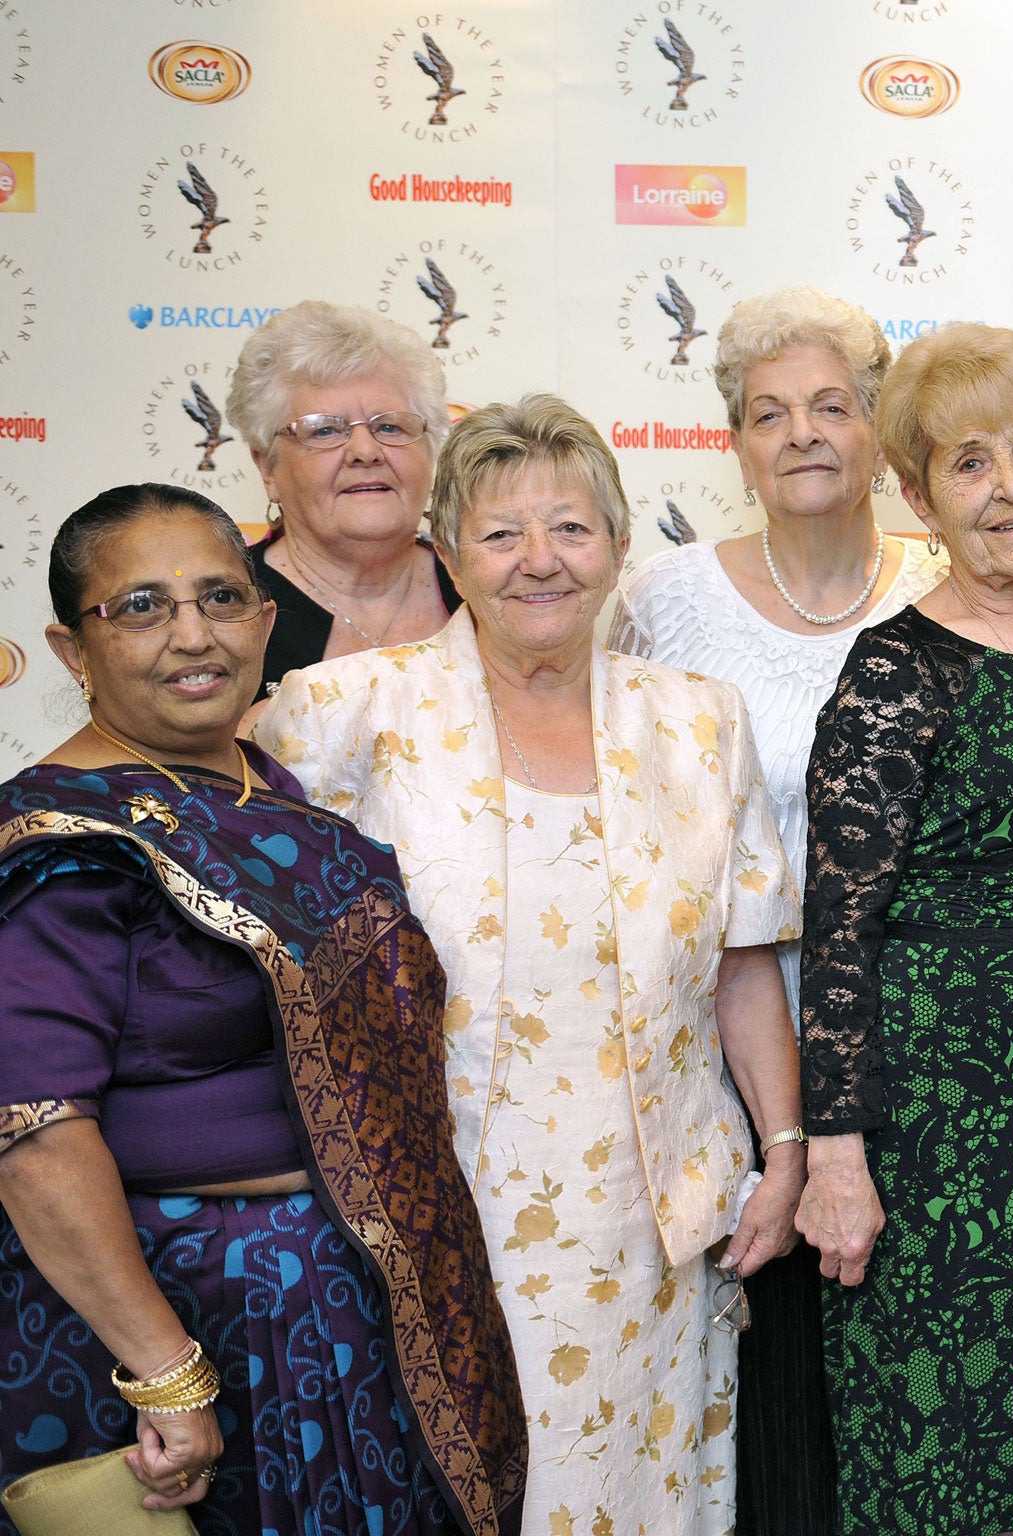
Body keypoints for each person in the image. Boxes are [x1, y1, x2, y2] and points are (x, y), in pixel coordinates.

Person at [254, 396, 804, 1536]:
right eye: (501, 536)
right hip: (427, 1220)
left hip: (650, 1228)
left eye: (571, 530)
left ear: (614, 548)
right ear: (446, 551)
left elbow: (742, 964)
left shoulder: (699, 721)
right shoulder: (337, 715)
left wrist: (786, 1151)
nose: (539, 563)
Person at [0, 484, 525, 1536]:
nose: (192, 636)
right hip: (192, 1320)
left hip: (353, 1309)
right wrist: (165, 1373)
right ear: (72, 650)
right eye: (141, 607)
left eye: (221, 598)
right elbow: (34, 1139)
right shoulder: (65, 843)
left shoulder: (273, 794)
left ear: (265, 619)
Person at [796, 324, 1013, 1535]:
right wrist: (835, 1155)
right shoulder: (895, 670)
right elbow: (837, 932)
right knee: (932, 1420)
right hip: (934, 1112)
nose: (1010, 486)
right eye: (967, 463)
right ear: (916, 497)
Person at [609, 285, 946, 1535]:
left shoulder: (953, 581)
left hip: (917, 1041)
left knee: (904, 1365)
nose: (801, 432)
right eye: (767, 413)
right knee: (766, 1381)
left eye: (832, 406)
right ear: (735, 442)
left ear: (878, 429)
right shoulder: (662, 599)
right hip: (725, 1040)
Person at [225, 300, 459, 695]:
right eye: (325, 431)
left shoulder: (483, 589)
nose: (365, 451)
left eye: (390, 426)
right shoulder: (224, 614)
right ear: (268, 467)